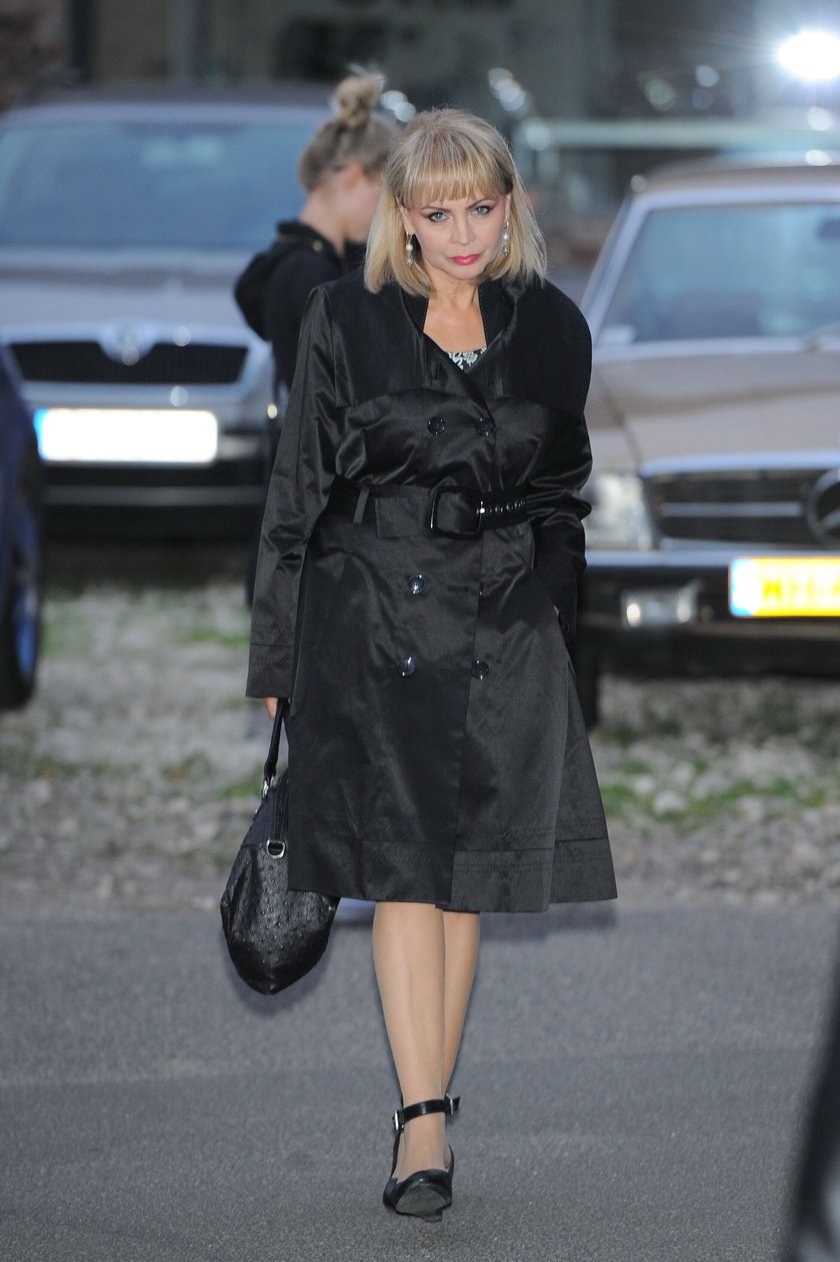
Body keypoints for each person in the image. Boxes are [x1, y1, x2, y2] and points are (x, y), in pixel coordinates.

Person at [246, 107, 616, 1222]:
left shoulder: (551, 325)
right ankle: (423, 1124)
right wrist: (279, 654)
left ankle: (430, 1102)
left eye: (480, 209)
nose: (462, 234)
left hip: (505, 626)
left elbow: (563, 495)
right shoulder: (344, 315)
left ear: (511, 208)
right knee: (408, 870)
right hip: (374, 623)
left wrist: (553, 615)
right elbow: (296, 493)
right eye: (439, 212)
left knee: (468, 880)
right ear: (402, 215)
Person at [234, 71, 397, 395]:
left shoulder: (288, 260)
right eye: (383, 192)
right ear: (353, 176)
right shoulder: (312, 276)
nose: (385, 210)